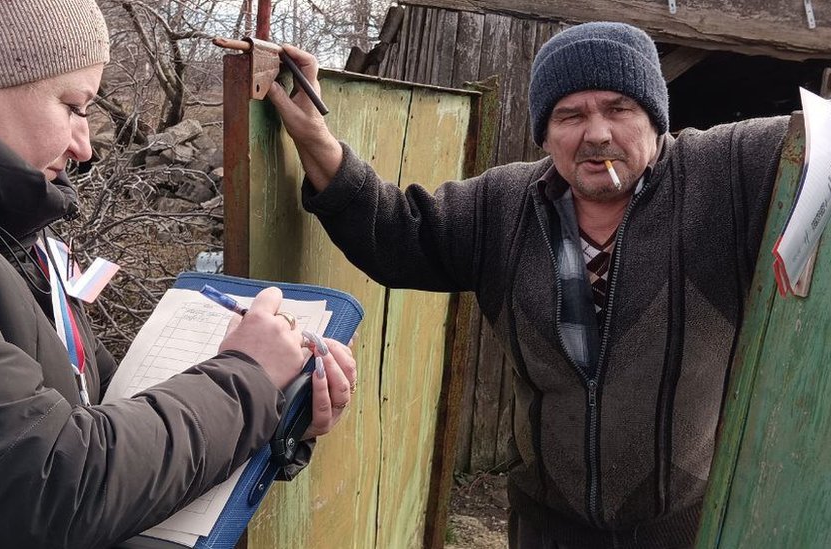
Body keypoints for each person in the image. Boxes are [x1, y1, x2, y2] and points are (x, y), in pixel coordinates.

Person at [269, 21, 789, 548]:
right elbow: (399, 236)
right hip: (547, 525)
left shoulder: (722, 174)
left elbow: (818, 141)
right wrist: (313, 135)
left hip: (687, 527)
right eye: (571, 115)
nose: (598, 134)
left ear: (656, 119)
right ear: (545, 133)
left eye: (619, 108)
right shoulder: (505, 205)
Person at [0, 1, 356, 547]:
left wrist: (280, 407)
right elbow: (47, 487)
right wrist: (246, 378)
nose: (85, 145)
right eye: (73, 105)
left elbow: (99, 412)